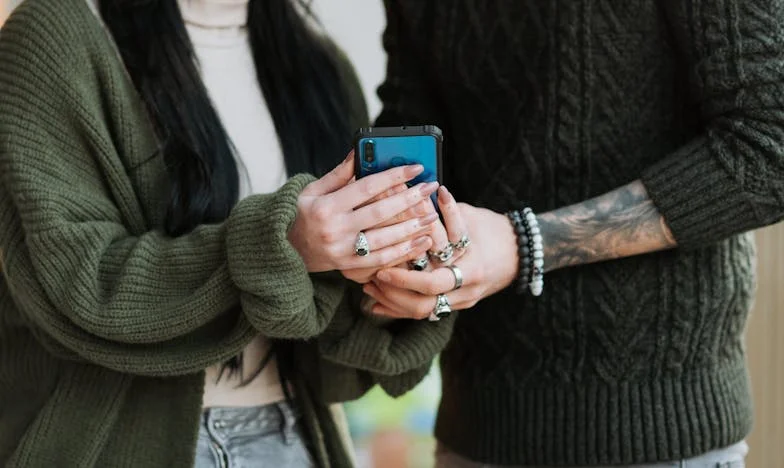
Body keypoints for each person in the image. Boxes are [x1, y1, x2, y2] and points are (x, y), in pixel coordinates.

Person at [0, 0, 459, 466]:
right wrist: (284, 247)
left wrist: (390, 286)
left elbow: (333, 362)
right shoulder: (55, 34)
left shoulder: (320, 65)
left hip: (290, 436)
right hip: (109, 443)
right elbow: (73, 280)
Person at [366, 1, 784, 467]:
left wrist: (525, 243)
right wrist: (391, 242)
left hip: (661, 431)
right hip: (477, 429)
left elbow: (769, 147)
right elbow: (416, 133)